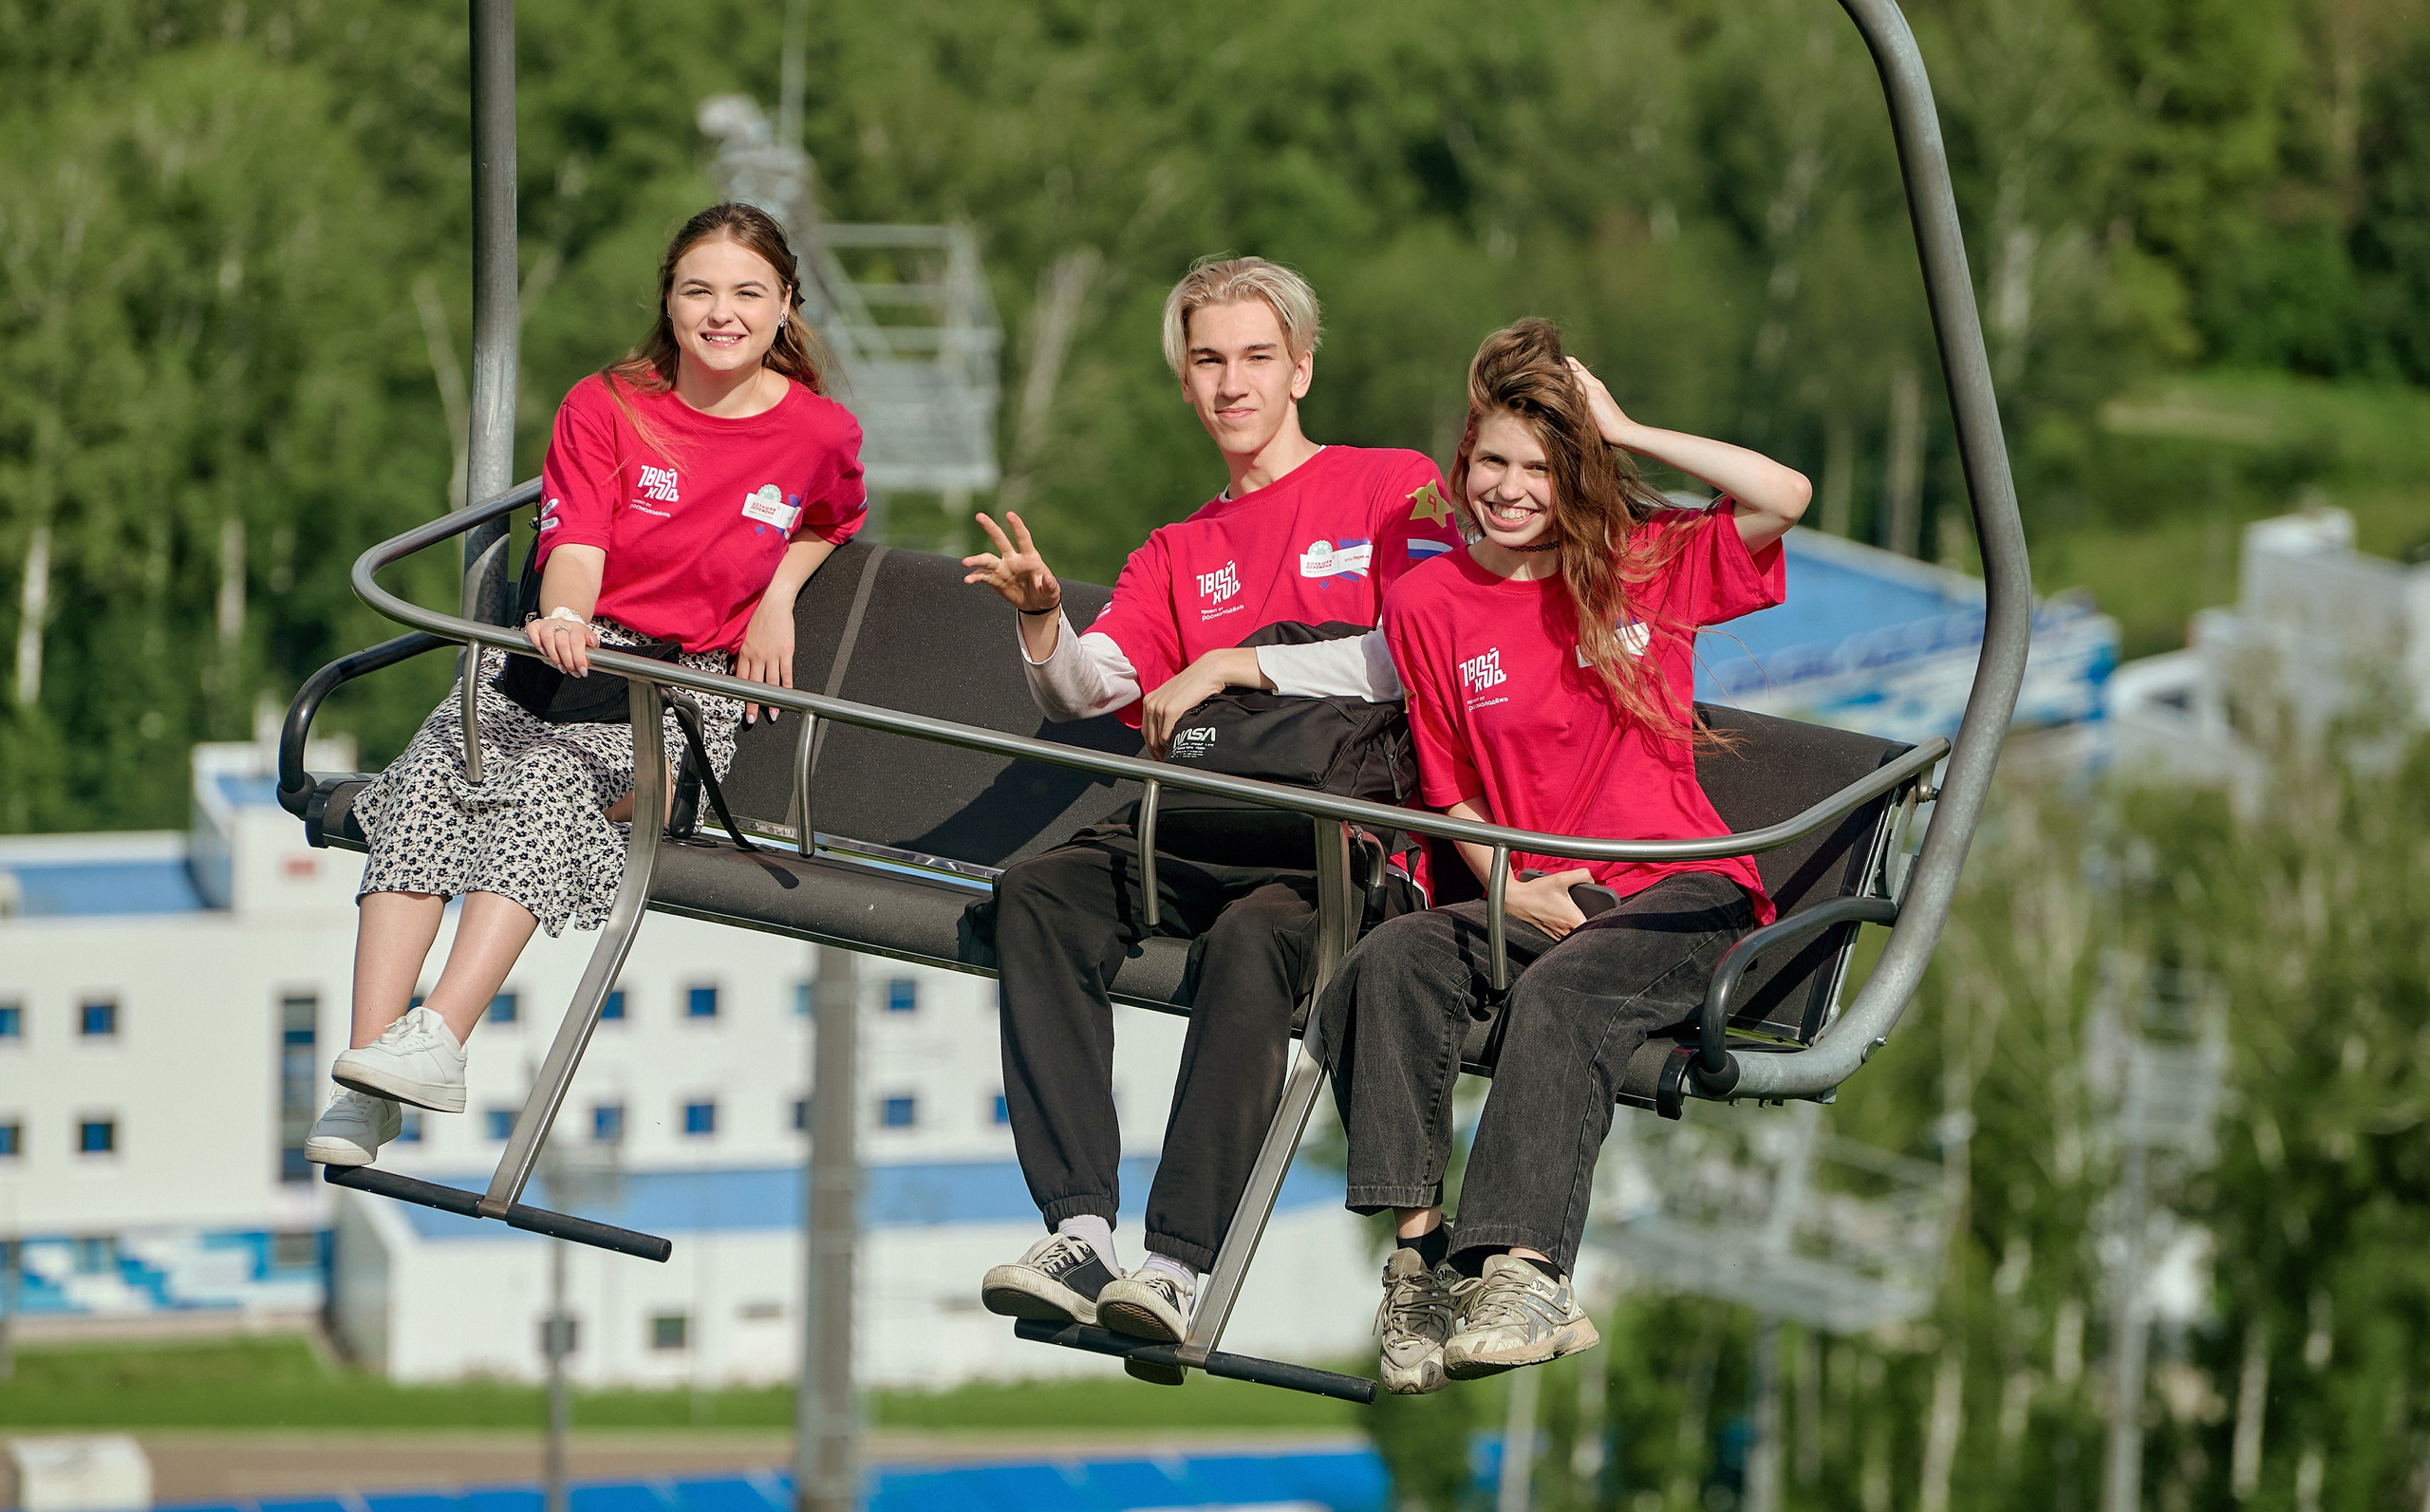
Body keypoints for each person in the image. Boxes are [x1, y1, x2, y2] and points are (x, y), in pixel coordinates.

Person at [305, 202, 867, 1166]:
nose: (720, 314)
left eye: (746, 293)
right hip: (570, 650)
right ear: (669, 301)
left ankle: (438, 1036)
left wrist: (776, 599)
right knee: (432, 778)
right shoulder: (608, 405)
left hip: (676, 693)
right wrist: (565, 617)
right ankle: (369, 1072)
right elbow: (575, 543)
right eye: (699, 291)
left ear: (784, 306)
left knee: (543, 786)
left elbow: (831, 518)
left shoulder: (815, 430)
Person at [1310, 318, 1812, 1392]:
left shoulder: (1641, 564)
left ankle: (1528, 1270)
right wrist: (1513, 892)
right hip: (1538, 890)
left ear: (1574, 473)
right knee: (1390, 962)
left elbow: (1783, 495)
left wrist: (1624, 426)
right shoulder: (1428, 604)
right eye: (1492, 460)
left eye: (1540, 466)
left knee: (1565, 997)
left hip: (1683, 894)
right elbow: (1450, 793)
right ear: (1462, 467)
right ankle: (1422, 1262)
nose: (1511, 487)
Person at [960, 256, 1455, 1343]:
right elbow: (1095, 686)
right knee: (1037, 892)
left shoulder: (1389, 489)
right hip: (1195, 824)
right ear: (1185, 383)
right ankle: (1080, 1227)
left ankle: (1177, 1264)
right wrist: (1043, 622)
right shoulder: (1178, 548)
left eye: (1255, 358)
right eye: (1208, 360)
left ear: (1301, 370)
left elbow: (1419, 654)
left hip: (1333, 847)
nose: (1232, 383)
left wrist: (1242, 663)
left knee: (1249, 945)